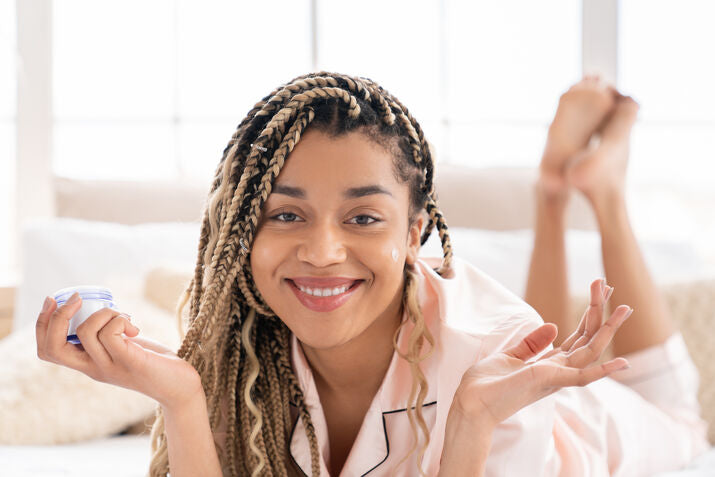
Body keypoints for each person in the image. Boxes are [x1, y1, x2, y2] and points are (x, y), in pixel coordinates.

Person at [34, 72, 708, 477]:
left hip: (595, 422)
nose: (323, 251)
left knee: (675, 408)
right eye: (285, 215)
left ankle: (593, 193)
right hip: (492, 352)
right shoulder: (233, 352)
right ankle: (554, 191)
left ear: (414, 233)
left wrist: (471, 419)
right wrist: (180, 399)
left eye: (361, 219)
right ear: (242, 234)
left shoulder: (494, 351)